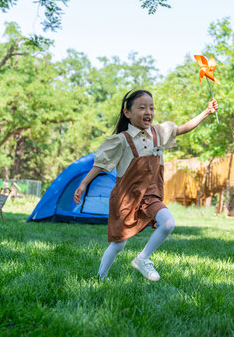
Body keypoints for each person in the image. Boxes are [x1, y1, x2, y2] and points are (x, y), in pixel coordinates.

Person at [74, 90, 218, 281]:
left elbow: (183, 128)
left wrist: (206, 112)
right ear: (127, 113)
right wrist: (84, 184)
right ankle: (100, 277)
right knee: (119, 244)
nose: (148, 112)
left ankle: (142, 258)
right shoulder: (122, 140)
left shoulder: (159, 132)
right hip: (126, 198)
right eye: (141, 108)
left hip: (151, 195)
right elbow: (100, 164)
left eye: (151, 108)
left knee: (168, 223)